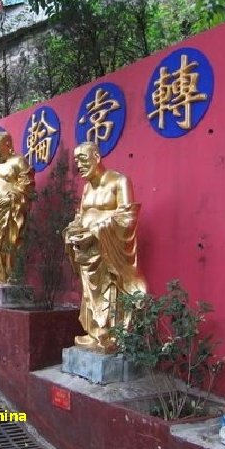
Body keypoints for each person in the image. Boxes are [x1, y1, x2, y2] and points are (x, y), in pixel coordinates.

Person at [62, 142, 146, 353]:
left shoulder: (119, 181)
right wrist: (73, 230)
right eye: (76, 162)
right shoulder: (87, 187)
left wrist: (95, 233)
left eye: (82, 160)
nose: (79, 166)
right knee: (90, 294)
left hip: (109, 252)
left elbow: (127, 217)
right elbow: (81, 217)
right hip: (87, 253)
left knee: (110, 292)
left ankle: (110, 334)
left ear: (97, 158)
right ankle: (94, 333)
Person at [0, 131, 34, 284]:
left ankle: (10, 276)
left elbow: (27, 184)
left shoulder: (19, 161)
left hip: (10, 211)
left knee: (8, 242)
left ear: (8, 144)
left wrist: (11, 197)